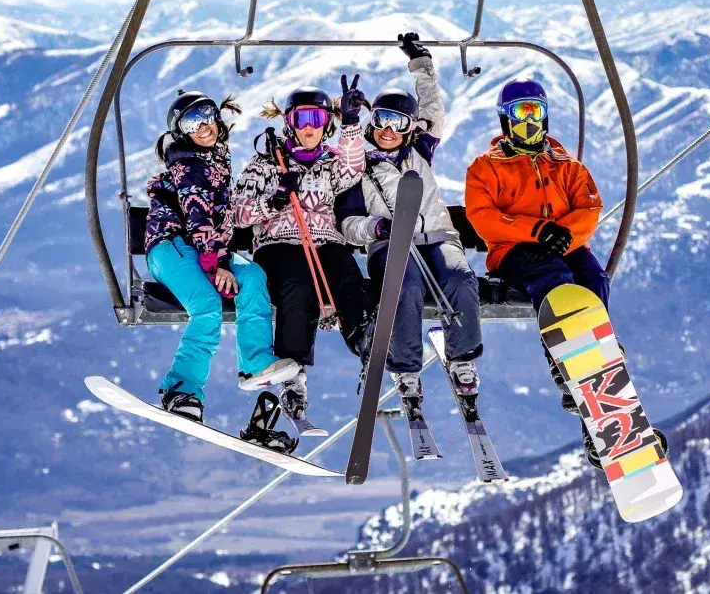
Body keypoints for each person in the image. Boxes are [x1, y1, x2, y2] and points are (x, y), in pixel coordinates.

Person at [337, 33, 483, 421]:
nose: (388, 129)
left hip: (438, 237)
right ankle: (406, 369)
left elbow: (434, 108)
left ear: (409, 126)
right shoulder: (358, 166)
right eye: (381, 119)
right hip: (391, 246)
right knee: (406, 287)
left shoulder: (419, 150)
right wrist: (376, 229)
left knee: (460, 279)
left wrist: (421, 64)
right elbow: (346, 225)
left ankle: (463, 359)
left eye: (397, 122)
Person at [144, 90, 300, 428]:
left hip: (210, 248)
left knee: (254, 276)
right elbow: (198, 216)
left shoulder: (217, 158)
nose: (202, 126)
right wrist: (217, 265)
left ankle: (256, 362)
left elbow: (223, 217)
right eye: (191, 122)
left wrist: (224, 256)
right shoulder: (187, 165)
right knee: (207, 307)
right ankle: (181, 390)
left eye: (205, 114)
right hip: (171, 247)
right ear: (181, 132)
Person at [465, 78, 608, 417]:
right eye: (520, 112)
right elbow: (482, 217)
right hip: (514, 251)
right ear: (506, 119)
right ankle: (565, 361)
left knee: (594, 278)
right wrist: (536, 231)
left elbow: (589, 208)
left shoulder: (565, 164)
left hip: (562, 245)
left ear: (545, 116)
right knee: (554, 278)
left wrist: (563, 236)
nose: (529, 121)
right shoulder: (487, 167)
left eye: (535, 111)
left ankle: (597, 353)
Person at [233, 78, 368, 429]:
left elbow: (354, 169)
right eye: (301, 119)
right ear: (288, 123)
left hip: (326, 241)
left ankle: (365, 340)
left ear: (328, 124)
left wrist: (352, 124)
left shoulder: (330, 161)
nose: (309, 128)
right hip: (280, 243)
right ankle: (292, 371)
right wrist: (273, 200)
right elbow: (237, 213)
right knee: (297, 286)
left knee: (349, 279)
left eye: (318, 119)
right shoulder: (266, 164)